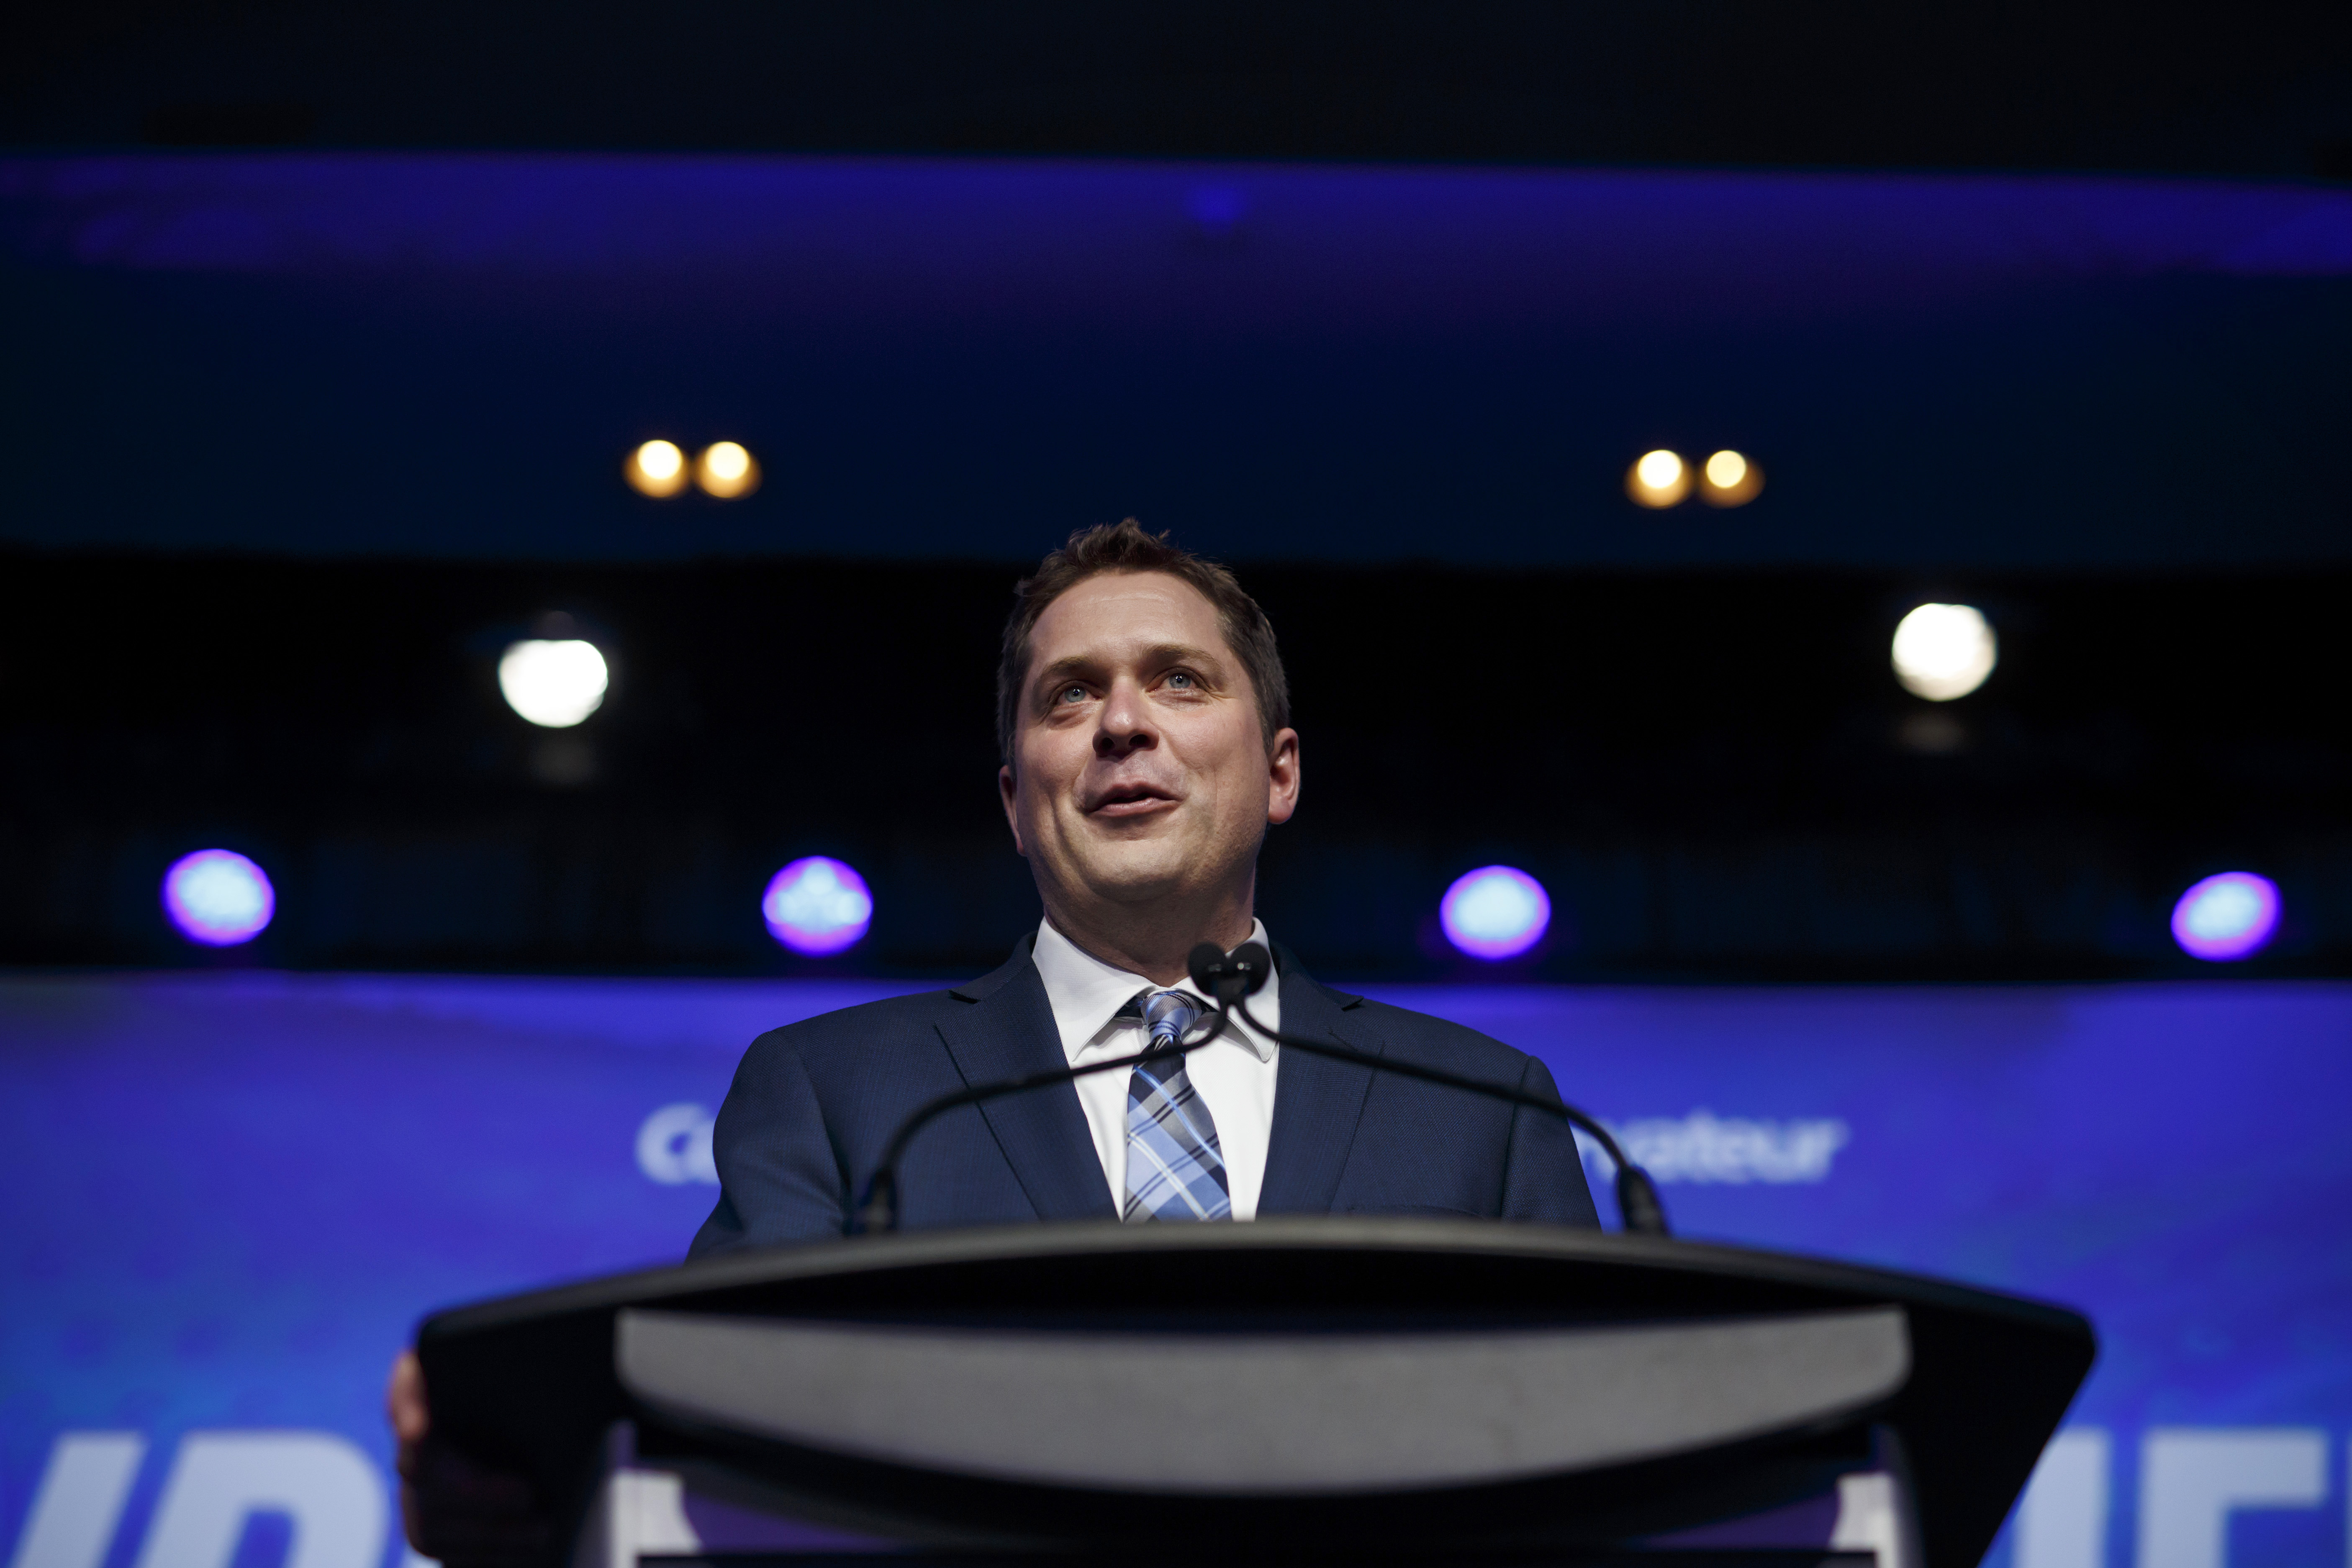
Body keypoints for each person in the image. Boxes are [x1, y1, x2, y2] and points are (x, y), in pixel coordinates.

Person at [389, 520, 1597, 1561]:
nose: (1122, 721)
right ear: (1015, 798)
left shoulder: (1478, 1107)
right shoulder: (838, 1092)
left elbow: (1598, 1473)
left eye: (1179, 680)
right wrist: (525, 1497)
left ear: (1279, 770)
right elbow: (712, 1444)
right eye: (1069, 693)